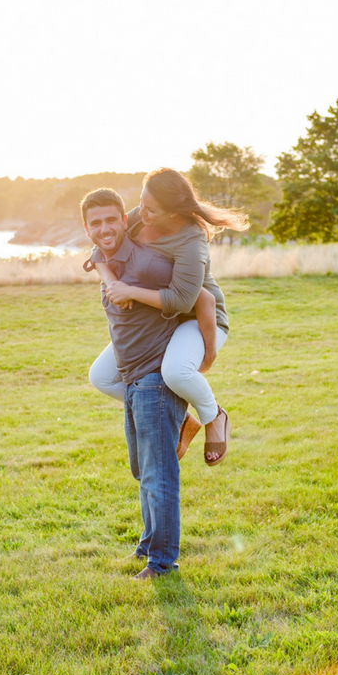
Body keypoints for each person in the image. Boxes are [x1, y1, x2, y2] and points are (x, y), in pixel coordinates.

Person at [86, 168, 248, 466]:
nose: (141, 212)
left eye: (150, 208)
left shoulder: (190, 241)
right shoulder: (141, 214)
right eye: (141, 202)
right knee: (101, 377)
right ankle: (183, 419)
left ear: (173, 213)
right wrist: (111, 282)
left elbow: (184, 300)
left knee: (176, 372)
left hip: (193, 319)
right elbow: (102, 246)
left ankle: (214, 416)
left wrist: (130, 291)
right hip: (158, 320)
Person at [81, 188, 190, 580]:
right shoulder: (106, 258)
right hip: (131, 379)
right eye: (96, 223)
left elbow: (185, 295)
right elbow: (99, 254)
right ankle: (148, 543)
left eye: (112, 219)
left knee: (159, 474)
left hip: (155, 381)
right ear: (87, 229)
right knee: (142, 470)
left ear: (124, 220)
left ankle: (161, 563)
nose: (105, 228)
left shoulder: (148, 264)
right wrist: (100, 262)